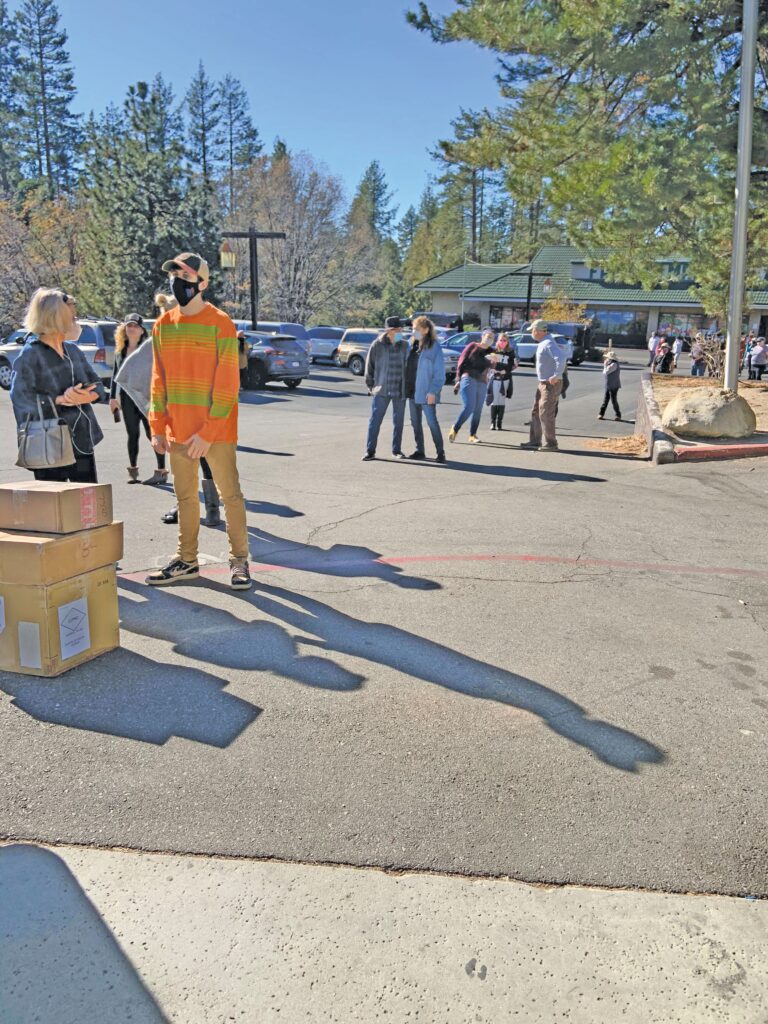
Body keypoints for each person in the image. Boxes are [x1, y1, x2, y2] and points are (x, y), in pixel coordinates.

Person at [146, 252, 250, 589]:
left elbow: (228, 384)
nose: (178, 280)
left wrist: (208, 432)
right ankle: (187, 561)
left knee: (230, 496)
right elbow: (158, 379)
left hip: (214, 432)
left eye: (186, 276)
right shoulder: (163, 325)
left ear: (202, 283)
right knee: (185, 498)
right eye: (174, 273)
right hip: (177, 430)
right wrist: (157, 426)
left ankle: (239, 562)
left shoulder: (220, 323)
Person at [10, 288, 106, 482]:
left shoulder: (72, 350)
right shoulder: (31, 354)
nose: (75, 319)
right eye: (71, 315)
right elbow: (20, 397)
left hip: (82, 441)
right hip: (48, 443)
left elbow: (97, 384)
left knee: (85, 502)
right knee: (54, 508)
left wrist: (91, 395)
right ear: (56, 317)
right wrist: (59, 399)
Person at [110, 313, 168, 486]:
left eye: (135, 326)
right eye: (129, 326)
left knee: (154, 432)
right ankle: (133, 471)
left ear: (142, 330)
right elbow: (116, 375)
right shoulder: (120, 351)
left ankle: (161, 471)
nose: (131, 328)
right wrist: (113, 397)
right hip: (127, 398)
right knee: (132, 434)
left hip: (147, 396)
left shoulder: (148, 349)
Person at [362, 316, 409, 461]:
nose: (399, 332)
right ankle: (370, 451)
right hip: (381, 389)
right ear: (388, 330)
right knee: (375, 421)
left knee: (399, 422)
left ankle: (397, 450)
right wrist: (370, 386)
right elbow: (369, 366)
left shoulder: (405, 344)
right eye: (396, 330)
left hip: (399, 389)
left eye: (400, 329)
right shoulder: (377, 344)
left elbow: (420, 338)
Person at [521, 319, 567, 451]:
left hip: (550, 384)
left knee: (545, 413)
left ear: (538, 331)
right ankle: (535, 441)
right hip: (543, 384)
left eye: (533, 331)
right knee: (536, 412)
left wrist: (557, 375)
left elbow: (561, 358)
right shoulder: (545, 342)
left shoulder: (548, 343)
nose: (532, 333)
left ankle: (551, 443)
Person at [406, 315, 446, 463]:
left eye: (416, 329)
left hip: (427, 392)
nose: (413, 332)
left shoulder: (434, 347)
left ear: (426, 330)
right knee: (415, 423)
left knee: (432, 422)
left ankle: (440, 452)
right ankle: (419, 450)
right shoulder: (412, 346)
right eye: (413, 329)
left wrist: (433, 391)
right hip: (411, 391)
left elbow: (439, 374)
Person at [448, 329, 497, 444]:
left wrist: (494, 362)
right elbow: (461, 361)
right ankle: (455, 428)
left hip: (482, 381)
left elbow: (492, 368)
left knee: (478, 409)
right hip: (468, 377)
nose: (489, 339)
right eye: (488, 336)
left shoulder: (492, 352)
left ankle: (472, 434)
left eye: (492, 338)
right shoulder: (473, 346)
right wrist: (458, 379)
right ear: (482, 336)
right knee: (469, 406)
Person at [486, 334, 516, 430]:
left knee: (501, 401)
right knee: (494, 401)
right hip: (494, 378)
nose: (502, 342)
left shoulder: (510, 352)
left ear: (507, 342)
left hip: (505, 378)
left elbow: (512, 365)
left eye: (505, 340)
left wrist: (505, 371)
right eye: (501, 340)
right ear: (497, 341)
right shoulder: (493, 351)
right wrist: (492, 370)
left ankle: (499, 423)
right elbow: (488, 362)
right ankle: (492, 422)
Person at [598, 350, 621, 421]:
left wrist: (605, 365)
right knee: (605, 400)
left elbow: (606, 372)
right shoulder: (610, 363)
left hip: (614, 385)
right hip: (609, 384)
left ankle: (618, 415)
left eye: (608, 358)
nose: (606, 359)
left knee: (613, 400)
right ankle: (601, 414)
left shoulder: (614, 364)